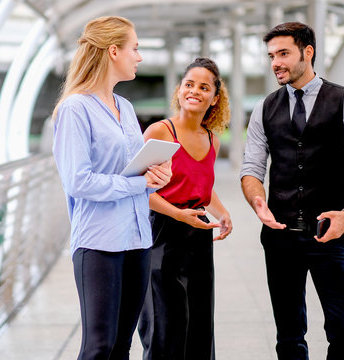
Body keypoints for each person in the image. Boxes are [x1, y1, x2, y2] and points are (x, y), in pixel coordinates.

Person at [240, 22, 344, 360]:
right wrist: (259, 202)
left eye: (284, 53)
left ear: (308, 52)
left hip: (330, 233)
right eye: (272, 55)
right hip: (280, 238)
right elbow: (251, 170)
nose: (275, 62)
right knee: (288, 335)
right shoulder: (263, 108)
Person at [52, 16, 172, 360]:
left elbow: (133, 172)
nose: (140, 56)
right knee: (98, 347)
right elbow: (78, 181)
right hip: (99, 242)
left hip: (137, 240)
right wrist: (138, 183)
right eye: (135, 48)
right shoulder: (75, 109)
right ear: (113, 51)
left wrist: (154, 177)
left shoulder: (127, 108)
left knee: (122, 346)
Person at [138, 57, 233, 360]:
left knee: (199, 326)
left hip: (198, 239)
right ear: (179, 90)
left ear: (215, 98)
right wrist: (178, 214)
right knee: (165, 327)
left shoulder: (212, 140)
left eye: (204, 87)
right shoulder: (160, 132)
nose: (195, 91)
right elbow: (137, 189)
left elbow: (201, 184)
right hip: (161, 235)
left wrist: (222, 212)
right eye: (189, 84)